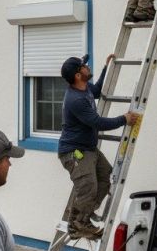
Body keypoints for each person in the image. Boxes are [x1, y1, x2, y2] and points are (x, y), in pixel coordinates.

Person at [58, 54, 137, 239]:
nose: (87, 67)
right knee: (88, 186)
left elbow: (98, 90)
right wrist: (123, 119)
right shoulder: (75, 100)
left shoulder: (84, 89)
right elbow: (97, 122)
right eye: (84, 66)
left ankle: (84, 213)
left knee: (105, 175)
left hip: (88, 149)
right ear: (78, 75)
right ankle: (77, 225)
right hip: (74, 152)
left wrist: (105, 68)